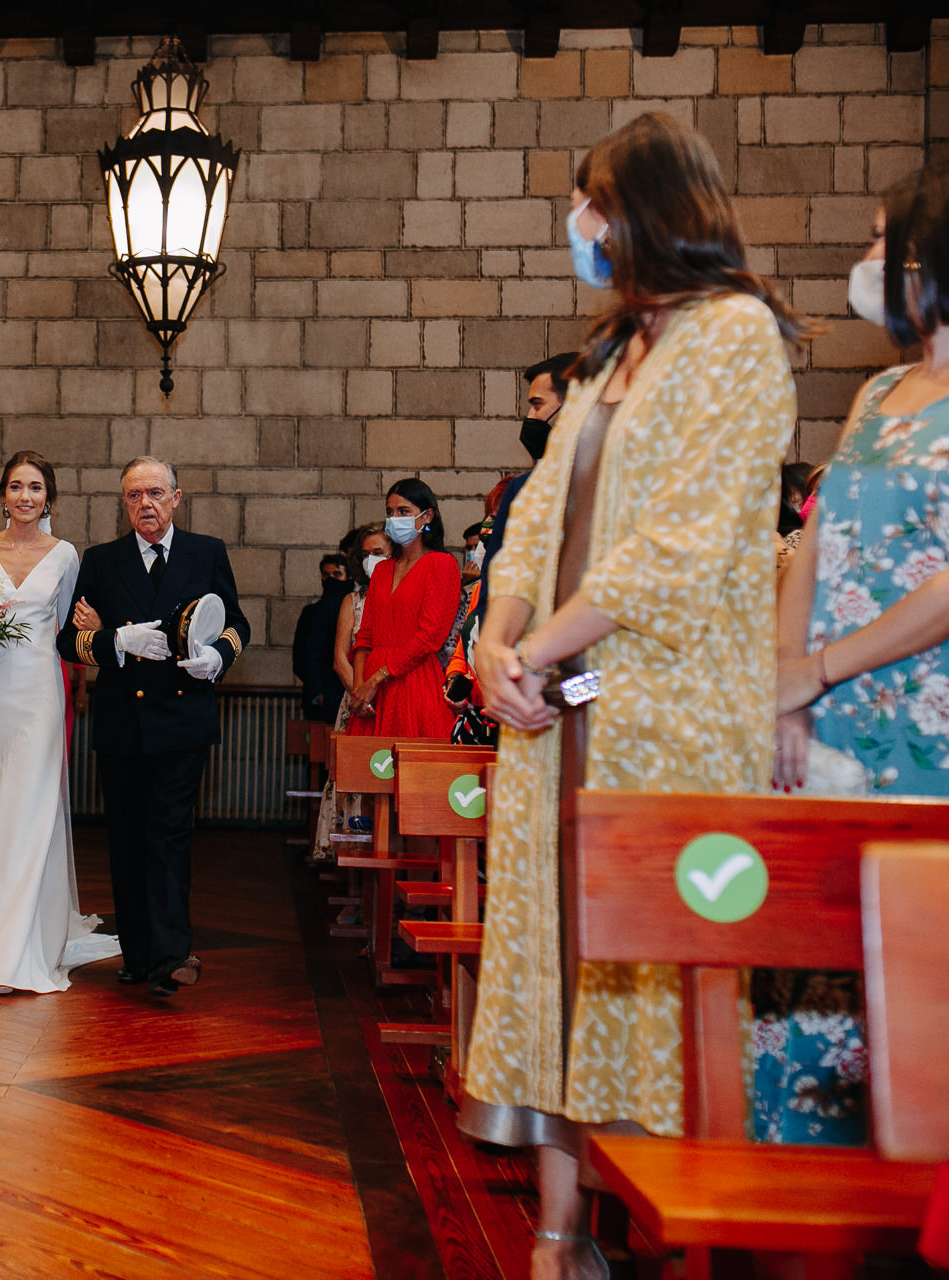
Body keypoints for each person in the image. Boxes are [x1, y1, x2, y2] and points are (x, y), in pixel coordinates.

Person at [464, 113, 807, 1280]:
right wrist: (492, 639)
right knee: (553, 963)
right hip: (554, 711)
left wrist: (543, 653)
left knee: (652, 975)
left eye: (593, 204)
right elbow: (532, 520)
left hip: (660, 713)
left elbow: (687, 541)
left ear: (650, 209)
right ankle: (558, 1236)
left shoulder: (736, 338)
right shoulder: (617, 355)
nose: (580, 225)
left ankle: (668, 1231)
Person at [766, 170, 949, 1145]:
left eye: (888, 241)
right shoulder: (878, 391)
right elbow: (816, 537)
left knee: (919, 982)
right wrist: (788, 686)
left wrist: (824, 667)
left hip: (928, 723)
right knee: (813, 972)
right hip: (828, 715)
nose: (871, 261)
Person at [57, 455, 250, 999]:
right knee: (125, 840)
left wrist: (217, 657)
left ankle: (170, 954)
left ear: (176, 498)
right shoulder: (100, 561)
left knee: (168, 835)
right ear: (124, 503)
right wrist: (117, 639)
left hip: (182, 720)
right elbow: (67, 640)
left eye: (155, 493)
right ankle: (137, 955)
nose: (146, 503)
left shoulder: (205, 552)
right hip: (122, 721)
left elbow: (237, 622)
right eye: (134, 495)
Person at [0, 455, 120, 994]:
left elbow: (68, 635)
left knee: (32, 811)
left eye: (35, 487)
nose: (25, 495)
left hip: (40, 693)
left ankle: (23, 946)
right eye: (16, 486)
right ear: (2, 495)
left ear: (49, 499)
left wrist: (98, 632)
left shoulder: (65, 555)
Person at [347, 477, 458, 739]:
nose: (394, 518)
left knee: (413, 771)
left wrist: (376, 679)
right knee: (364, 771)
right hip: (372, 690)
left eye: (403, 511)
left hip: (413, 681)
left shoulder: (442, 565)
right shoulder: (383, 570)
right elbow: (365, 636)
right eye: (390, 512)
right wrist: (360, 687)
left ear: (427, 516)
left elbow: (429, 637)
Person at [310, 526, 390, 865]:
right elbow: (340, 657)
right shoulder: (352, 601)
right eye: (366, 554)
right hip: (356, 703)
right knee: (352, 786)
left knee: (384, 788)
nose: (373, 560)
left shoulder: (399, 595)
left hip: (389, 698)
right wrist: (358, 692)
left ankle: (386, 871)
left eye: (380, 553)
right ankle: (354, 876)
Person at [479, 352, 579, 619]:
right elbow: (495, 577)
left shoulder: (611, 486)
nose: (529, 416)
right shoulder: (522, 490)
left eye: (537, 405)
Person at [292, 553, 349, 722]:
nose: (330, 580)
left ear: (349, 576)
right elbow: (301, 657)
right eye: (326, 575)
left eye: (337, 575)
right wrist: (317, 693)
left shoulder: (356, 608)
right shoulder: (310, 613)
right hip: (319, 703)